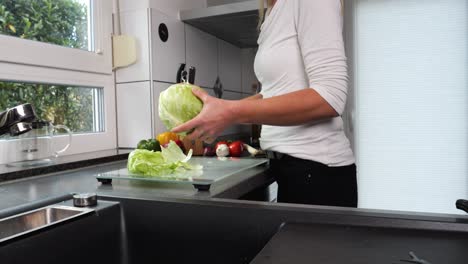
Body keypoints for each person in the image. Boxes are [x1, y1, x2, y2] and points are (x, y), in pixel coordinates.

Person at [172, 0, 357, 208]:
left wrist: (230, 112)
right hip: (292, 170)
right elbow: (271, 94)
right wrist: (220, 110)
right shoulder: (271, 10)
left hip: (319, 175)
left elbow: (330, 97)